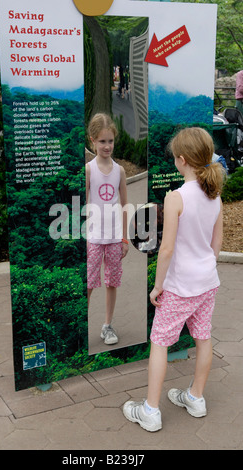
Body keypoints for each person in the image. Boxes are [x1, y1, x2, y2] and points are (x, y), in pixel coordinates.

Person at [123, 127, 224, 432]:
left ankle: (150, 411)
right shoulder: (214, 195)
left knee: (160, 342)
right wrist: (203, 267)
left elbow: (165, 250)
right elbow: (216, 245)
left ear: (181, 161)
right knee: (203, 337)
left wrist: (158, 287)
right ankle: (195, 397)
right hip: (208, 282)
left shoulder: (176, 198)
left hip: (180, 286)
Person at [86, 113, 129, 345]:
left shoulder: (120, 171)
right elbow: (82, 206)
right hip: (93, 237)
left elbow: (124, 205)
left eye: (110, 141)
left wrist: (124, 238)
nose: (107, 146)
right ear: (92, 140)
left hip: (114, 237)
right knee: (89, 282)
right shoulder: (88, 170)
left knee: (112, 282)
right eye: (102, 141)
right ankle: (80, 326)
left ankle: (107, 325)